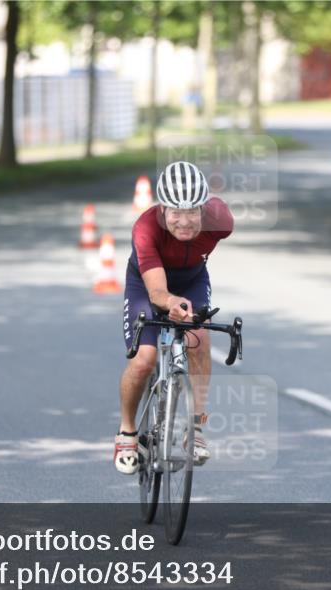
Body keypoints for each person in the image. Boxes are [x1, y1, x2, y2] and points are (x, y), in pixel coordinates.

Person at [114, 161, 234, 474]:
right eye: (175, 213)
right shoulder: (146, 228)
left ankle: (196, 429)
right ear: (162, 209)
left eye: (192, 212)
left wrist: (187, 310)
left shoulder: (221, 221)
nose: (183, 222)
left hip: (192, 279)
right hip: (148, 284)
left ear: (204, 210)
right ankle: (127, 432)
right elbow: (157, 293)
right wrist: (171, 304)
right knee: (144, 359)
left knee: (200, 338)